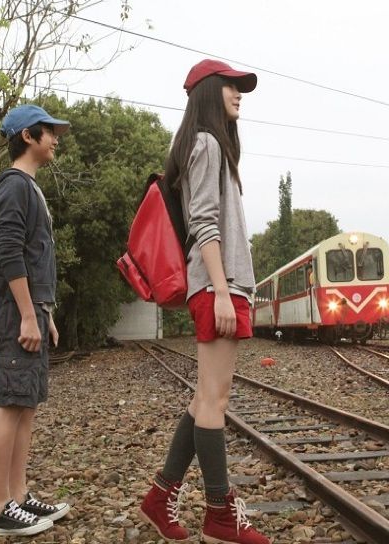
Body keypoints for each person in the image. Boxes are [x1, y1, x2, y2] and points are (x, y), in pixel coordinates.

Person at [139, 59, 271, 544]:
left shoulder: (208, 145)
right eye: (231, 86)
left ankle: (160, 497)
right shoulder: (207, 143)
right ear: (207, 92)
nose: (238, 94)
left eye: (241, 87)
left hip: (223, 283)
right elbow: (204, 222)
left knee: (203, 400)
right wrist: (219, 290)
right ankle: (219, 515)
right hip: (220, 284)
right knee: (215, 401)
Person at [0, 104, 71, 537]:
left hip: (32, 309)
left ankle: (18, 496)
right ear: (27, 136)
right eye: (49, 132)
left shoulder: (29, 187)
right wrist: (25, 314)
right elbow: (9, 253)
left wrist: (43, 313)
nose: (55, 139)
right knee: (10, 404)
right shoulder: (14, 186)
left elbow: (34, 259)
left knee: (26, 405)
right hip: (15, 310)